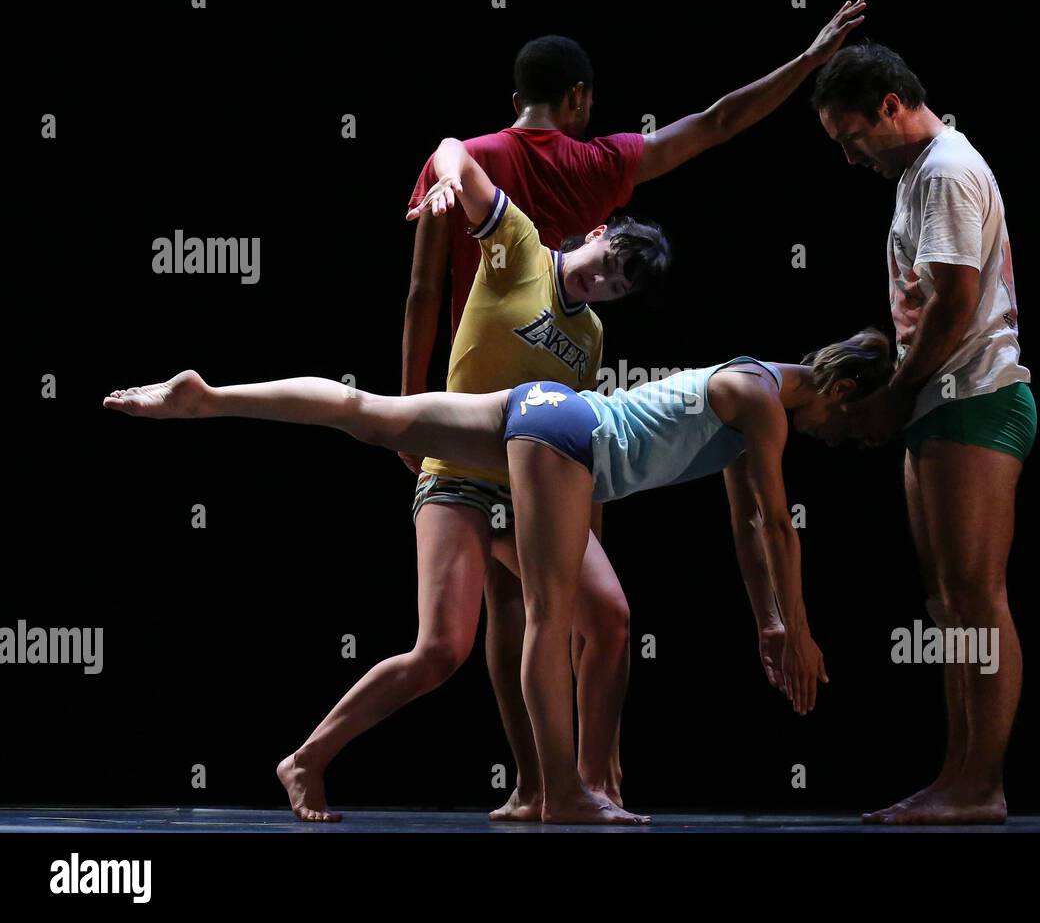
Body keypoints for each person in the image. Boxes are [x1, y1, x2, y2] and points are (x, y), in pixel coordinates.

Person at [103, 322, 892, 823]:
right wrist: (804, 631)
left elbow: (748, 528)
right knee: (551, 614)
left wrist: (774, 622)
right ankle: (566, 795)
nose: (838, 438)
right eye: (849, 425)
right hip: (570, 437)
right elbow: (779, 526)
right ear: (843, 387)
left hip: (539, 409)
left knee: (369, 414)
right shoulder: (760, 396)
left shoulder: (745, 385)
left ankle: (205, 398)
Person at [391, 2, 867, 822]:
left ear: (517, 101)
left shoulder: (468, 159)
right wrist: (808, 59)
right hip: (559, 418)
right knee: (578, 609)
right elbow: (717, 123)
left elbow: (423, 294)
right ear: (577, 99)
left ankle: (539, 785)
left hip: (472, 411)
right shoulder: (597, 162)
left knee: (519, 610)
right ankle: (593, 781)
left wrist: (412, 413)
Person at [812, 40, 1036, 825]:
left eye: (850, 139)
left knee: (975, 596)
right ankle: (958, 776)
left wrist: (894, 398)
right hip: (943, 398)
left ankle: (980, 784)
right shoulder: (919, 173)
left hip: (974, 395)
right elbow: (924, 306)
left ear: (889, 107)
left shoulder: (942, 169)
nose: (848, 158)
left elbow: (955, 301)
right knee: (948, 603)